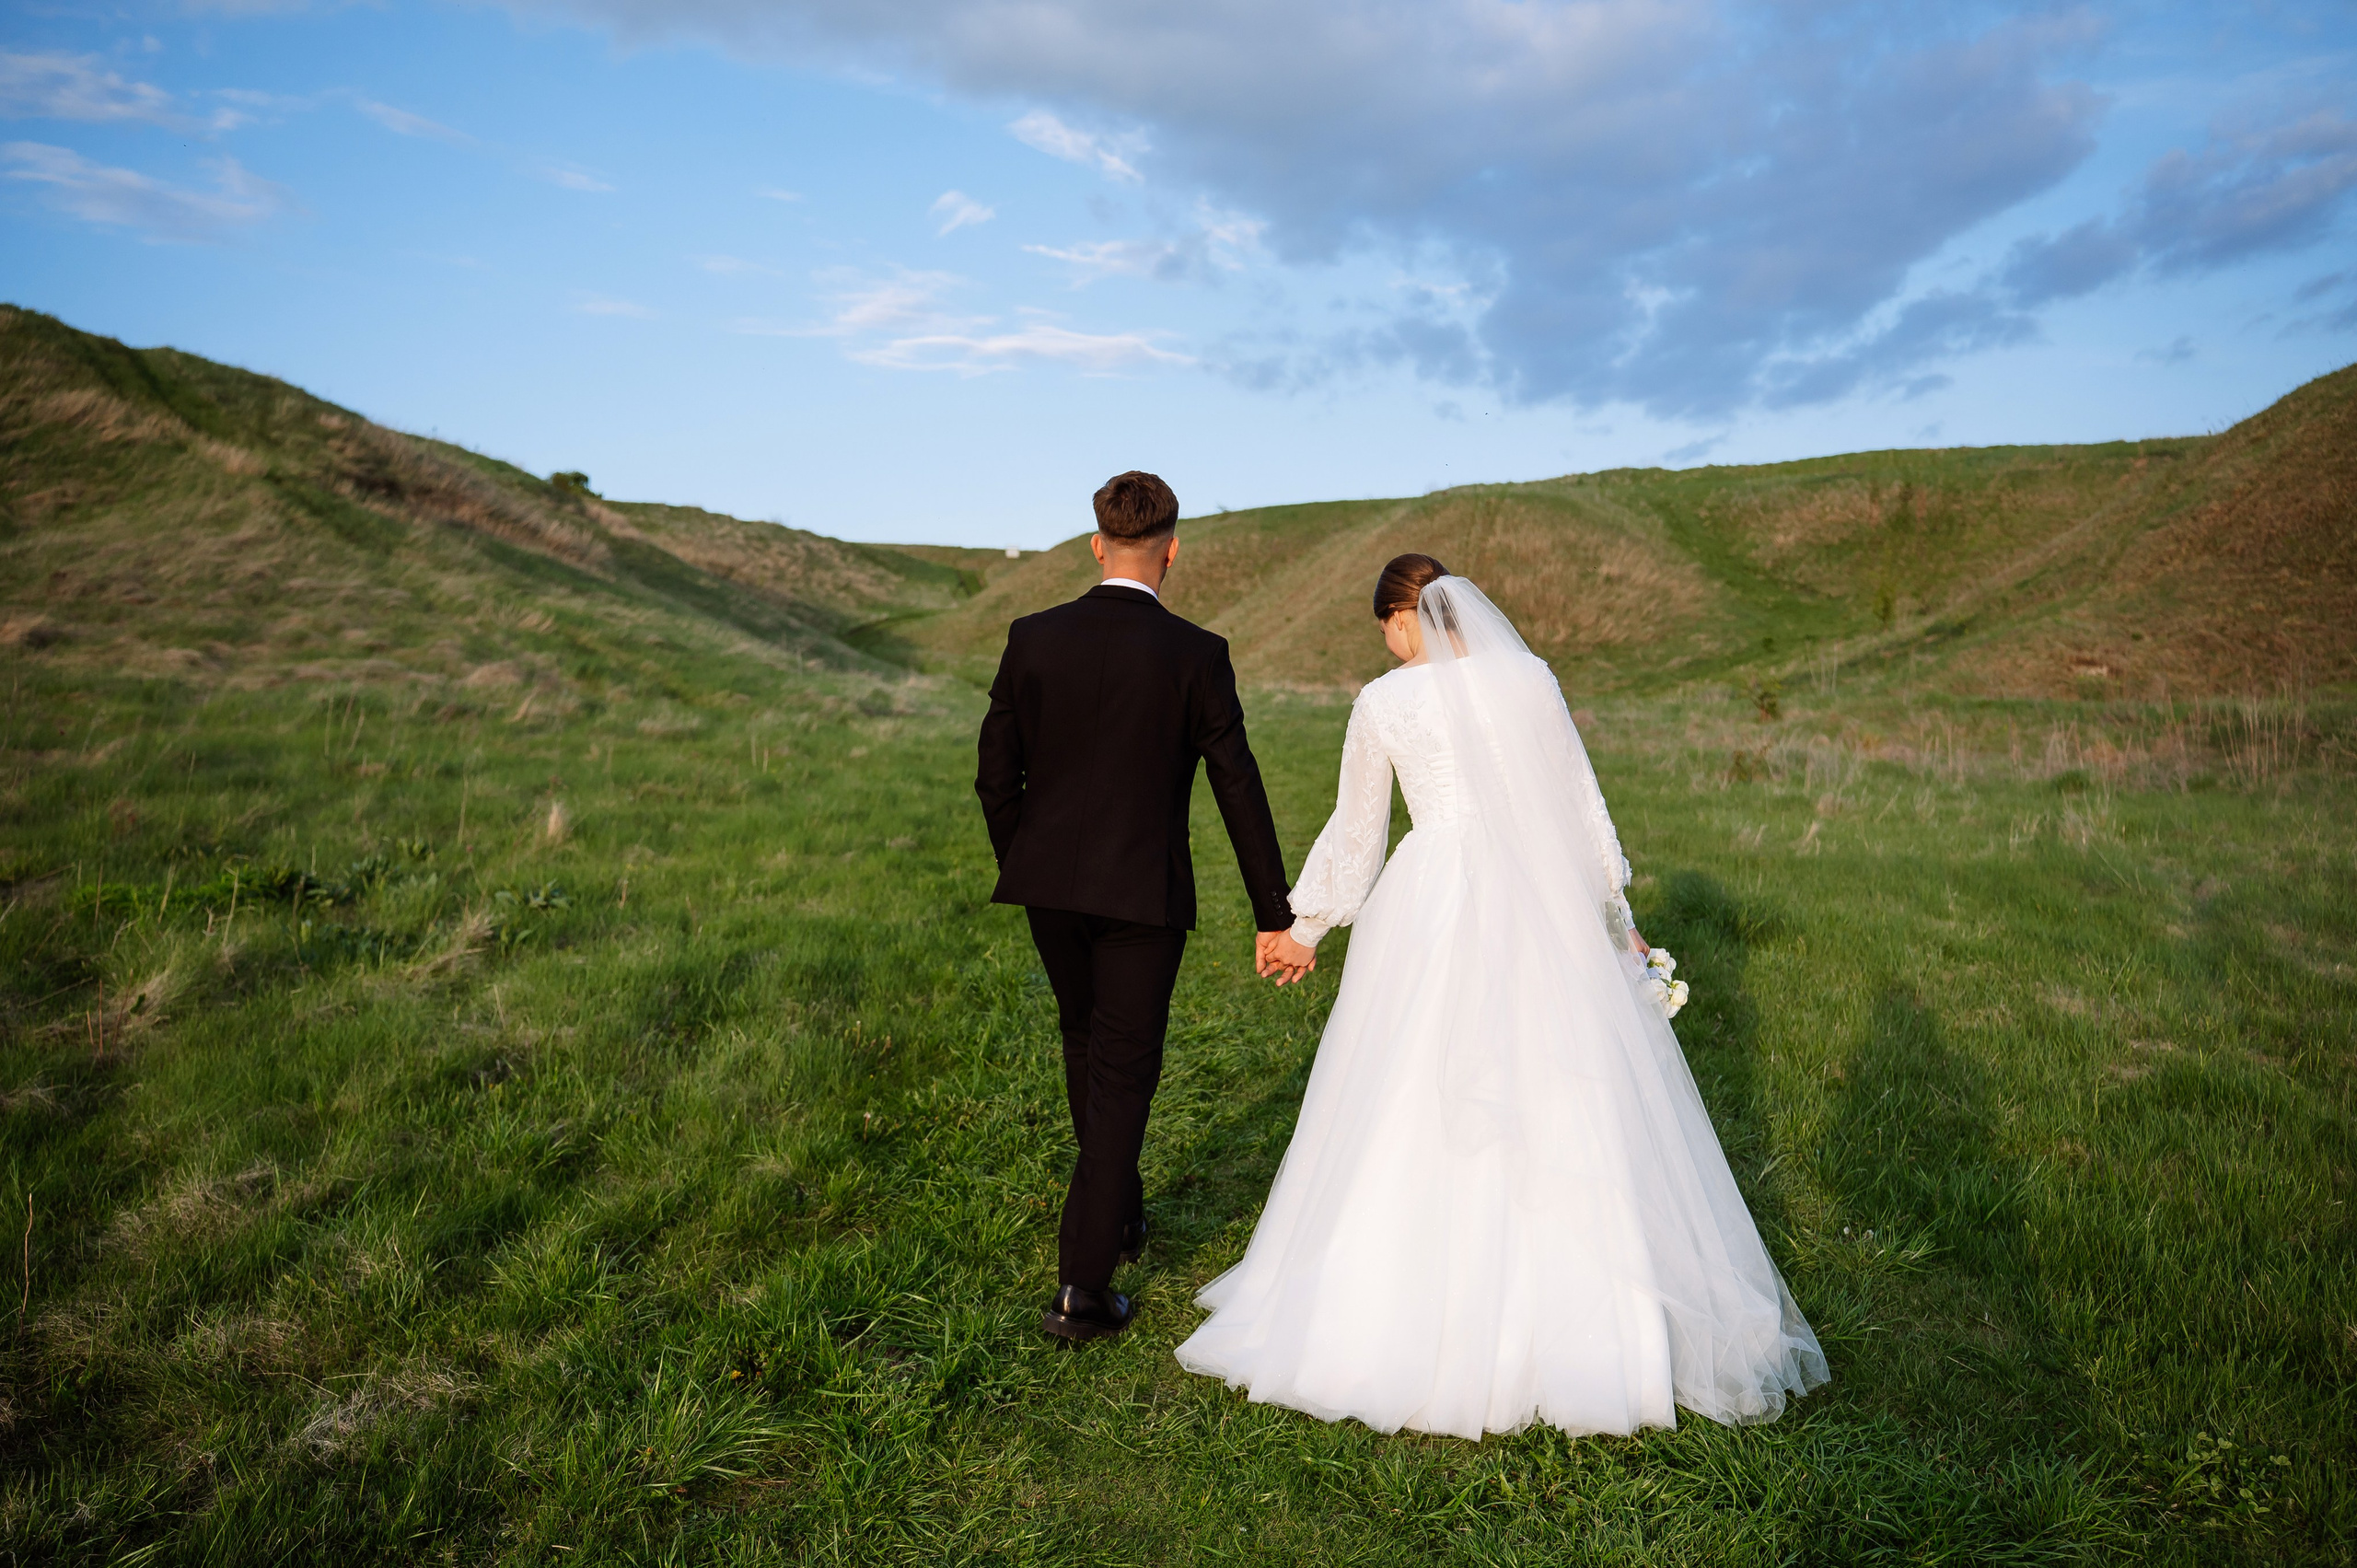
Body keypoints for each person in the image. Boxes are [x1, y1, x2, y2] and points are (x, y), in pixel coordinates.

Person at [1178, 555, 1828, 1437]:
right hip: (1540, 896)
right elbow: (1579, 800)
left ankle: (1399, 1316)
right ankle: (1598, 1328)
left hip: (1433, 897)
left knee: (1414, 1078)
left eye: (1386, 630)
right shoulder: (1530, 678)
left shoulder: (1386, 701)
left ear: (1399, 621)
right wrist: (1614, 911)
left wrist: (1307, 928)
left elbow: (1359, 830)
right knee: (1564, 1081)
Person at [975, 470, 1306, 1344]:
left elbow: (992, 774)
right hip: (1142, 897)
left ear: (1096, 544)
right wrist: (1275, 911)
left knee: (1085, 1042)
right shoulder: (1195, 654)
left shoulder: (1032, 636)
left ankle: (1117, 1216)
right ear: (1171, 550)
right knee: (1121, 1069)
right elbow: (1239, 785)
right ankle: (1082, 1291)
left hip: (1050, 889)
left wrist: (1032, 861)